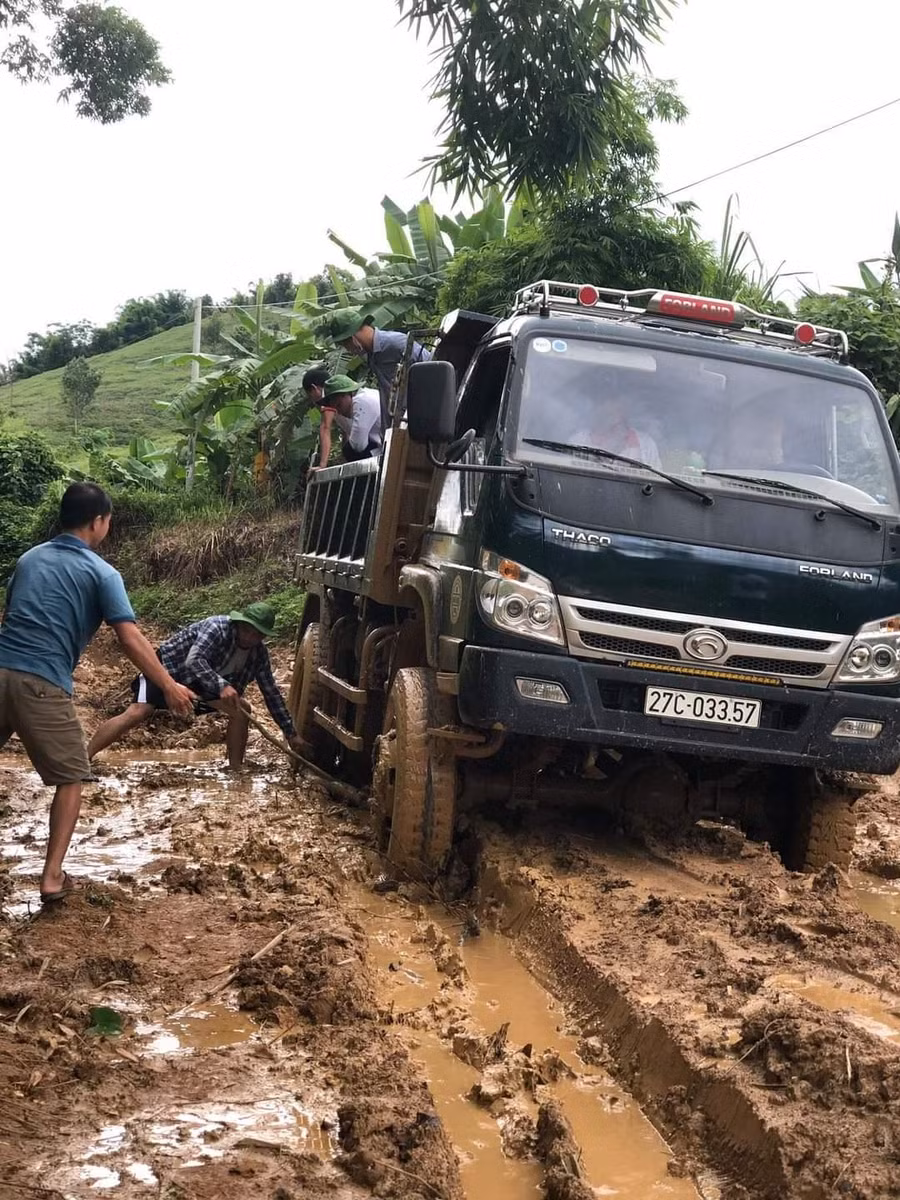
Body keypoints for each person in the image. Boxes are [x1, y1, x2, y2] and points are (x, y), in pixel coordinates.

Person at [0, 482, 195, 903]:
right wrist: (168, 685)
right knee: (72, 777)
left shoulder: (29, 559)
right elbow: (129, 638)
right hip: (42, 683)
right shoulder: (102, 572)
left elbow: (12, 613)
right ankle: (53, 877)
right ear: (98, 522)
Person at [88, 602, 305, 771]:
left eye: (257, 634)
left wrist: (290, 732)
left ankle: (236, 768)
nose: (250, 637)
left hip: (201, 685)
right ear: (239, 624)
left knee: (242, 710)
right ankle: (83, 759)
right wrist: (222, 685)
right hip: (168, 672)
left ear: (263, 636)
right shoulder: (217, 628)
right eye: (247, 630)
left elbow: (271, 693)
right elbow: (195, 660)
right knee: (138, 711)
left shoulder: (259, 655)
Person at [326, 307, 432, 430]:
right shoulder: (372, 356)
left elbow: (432, 367)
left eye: (345, 344)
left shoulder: (396, 344)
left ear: (352, 336)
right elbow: (387, 394)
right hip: (401, 424)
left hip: (422, 418)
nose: (347, 349)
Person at [572, 392, 662, 469]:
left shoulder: (645, 444)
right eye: (608, 415)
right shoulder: (579, 441)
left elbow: (656, 481)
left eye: (618, 411)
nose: (614, 420)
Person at [315, 374, 382, 464]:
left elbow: (358, 445)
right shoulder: (368, 394)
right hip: (384, 445)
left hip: (390, 449)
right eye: (336, 408)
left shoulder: (362, 402)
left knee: (349, 451)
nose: (339, 412)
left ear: (346, 394)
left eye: (339, 405)